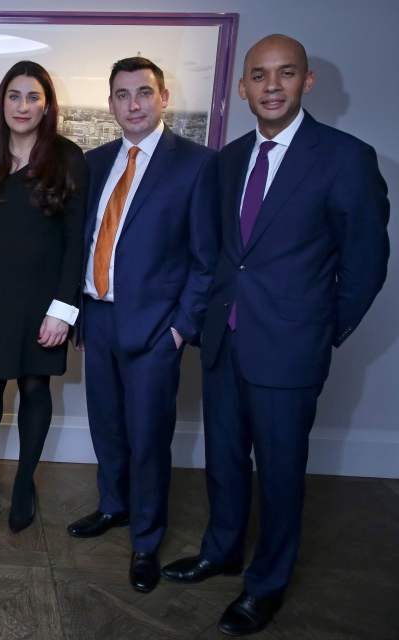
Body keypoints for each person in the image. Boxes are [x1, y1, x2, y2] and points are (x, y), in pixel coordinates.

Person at [162, 35, 389, 635]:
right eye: (259, 76)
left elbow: (366, 263)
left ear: (305, 82)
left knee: (282, 472)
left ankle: (266, 584)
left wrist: (319, 329)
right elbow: (217, 254)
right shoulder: (228, 159)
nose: (271, 86)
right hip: (226, 339)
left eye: (284, 74)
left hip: (290, 347)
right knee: (225, 458)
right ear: (242, 89)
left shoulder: (345, 157)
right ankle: (222, 550)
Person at [64, 57, 219, 593]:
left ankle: (147, 540)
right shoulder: (96, 160)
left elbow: (206, 259)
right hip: (98, 319)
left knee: (149, 438)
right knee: (106, 426)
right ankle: (114, 506)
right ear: (110, 103)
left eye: (143, 93)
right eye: (123, 95)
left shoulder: (196, 164)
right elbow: (85, 240)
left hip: (156, 329)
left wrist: (180, 328)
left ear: (163, 97)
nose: (133, 104)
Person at [0, 60, 87, 533]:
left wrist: (64, 310)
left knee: (35, 387)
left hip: (44, 304)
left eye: (33, 97)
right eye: (14, 96)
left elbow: (77, 243)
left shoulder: (69, 157)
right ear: (2, 103)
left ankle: (25, 481)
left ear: (47, 105)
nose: (23, 105)